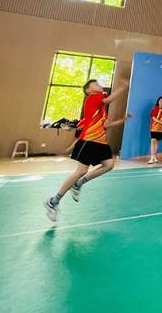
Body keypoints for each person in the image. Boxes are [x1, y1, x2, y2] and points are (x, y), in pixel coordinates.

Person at [43, 79, 130, 221]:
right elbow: (108, 100)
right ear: (89, 90)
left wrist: (123, 120)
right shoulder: (92, 98)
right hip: (89, 140)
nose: (99, 85)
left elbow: (107, 125)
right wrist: (123, 88)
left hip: (101, 142)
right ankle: (53, 201)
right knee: (81, 171)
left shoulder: (100, 109)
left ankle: (78, 184)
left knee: (109, 165)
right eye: (95, 84)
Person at [148, 96, 162, 164]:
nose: (161, 102)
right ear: (158, 101)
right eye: (160, 100)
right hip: (154, 127)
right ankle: (151, 157)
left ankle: (154, 156)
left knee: (157, 143)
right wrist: (161, 123)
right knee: (153, 141)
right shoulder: (155, 108)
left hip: (160, 129)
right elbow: (153, 118)